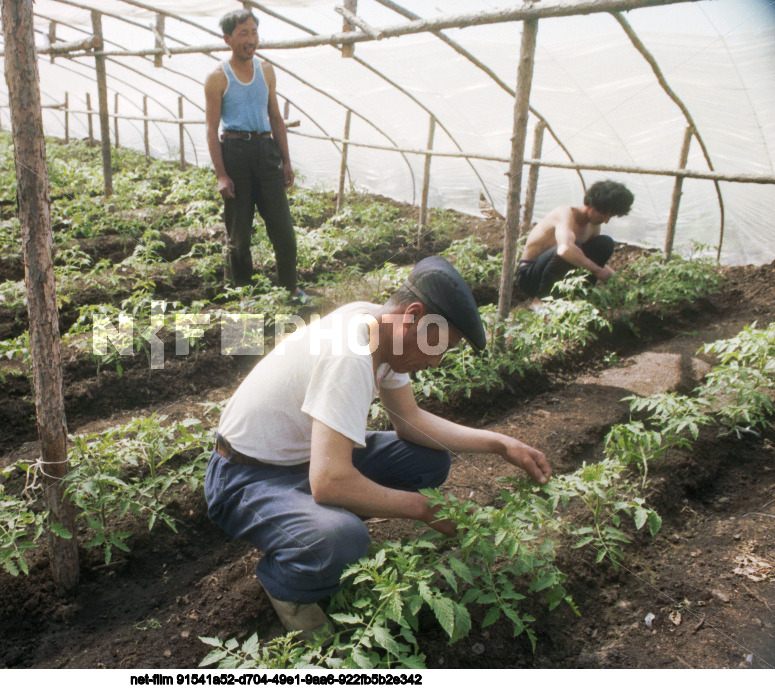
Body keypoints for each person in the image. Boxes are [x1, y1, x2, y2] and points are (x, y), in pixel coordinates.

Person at [204, 256, 551, 635]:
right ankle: (291, 584)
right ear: (414, 316)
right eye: (440, 347)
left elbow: (411, 421)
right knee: (342, 538)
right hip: (246, 477)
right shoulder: (351, 353)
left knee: (428, 461)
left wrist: (500, 444)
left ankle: (320, 525)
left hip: (301, 461)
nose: (436, 363)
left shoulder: (378, 325)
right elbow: (329, 482)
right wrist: (423, 508)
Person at [205, 9, 308, 301]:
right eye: (243, 34)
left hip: (266, 152)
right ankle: (242, 295)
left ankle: (290, 288)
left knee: (284, 230)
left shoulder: (266, 71)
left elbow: (275, 117)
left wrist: (286, 160)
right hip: (236, 152)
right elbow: (211, 129)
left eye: (254, 32)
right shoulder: (217, 77)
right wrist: (221, 174)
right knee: (239, 233)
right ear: (227, 39)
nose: (251, 40)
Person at [515, 180, 635, 303]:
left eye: (610, 216)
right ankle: (540, 302)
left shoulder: (593, 225)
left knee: (604, 244)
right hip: (530, 277)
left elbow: (591, 259)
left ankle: (579, 298)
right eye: (603, 215)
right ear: (591, 205)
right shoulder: (565, 214)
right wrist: (597, 271)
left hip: (555, 272)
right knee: (572, 248)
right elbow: (564, 250)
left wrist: (617, 279)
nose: (606, 221)